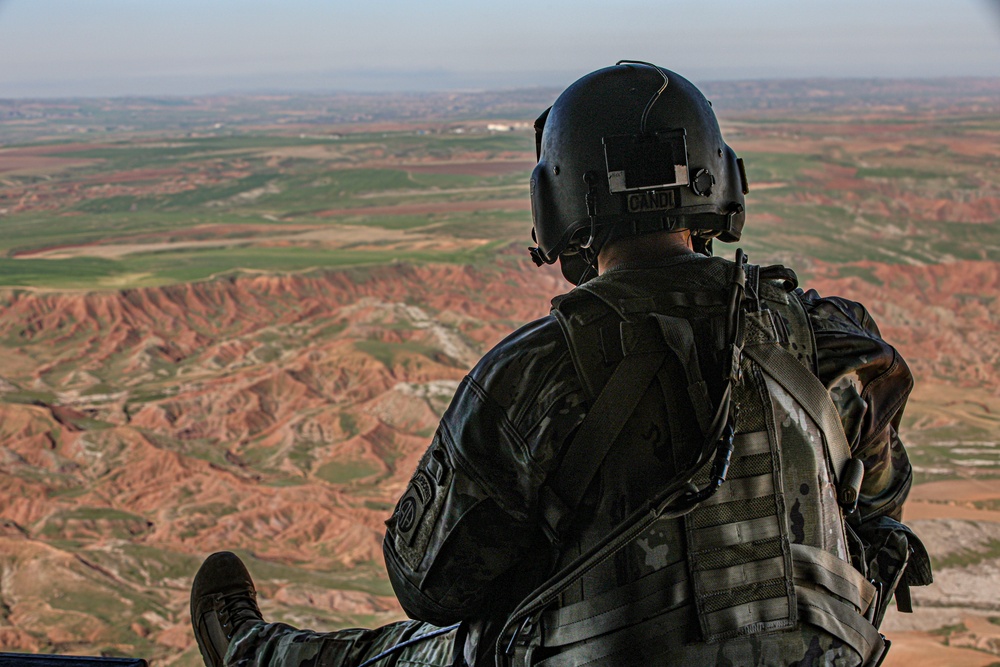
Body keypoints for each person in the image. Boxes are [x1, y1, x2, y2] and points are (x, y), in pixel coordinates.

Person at [190, 62, 931, 667]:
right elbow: (878, 506)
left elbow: (428, 585)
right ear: (719, 182)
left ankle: (254, 654)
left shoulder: (530, 374)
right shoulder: (829, 338)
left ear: (557, 203)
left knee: (423, 651)